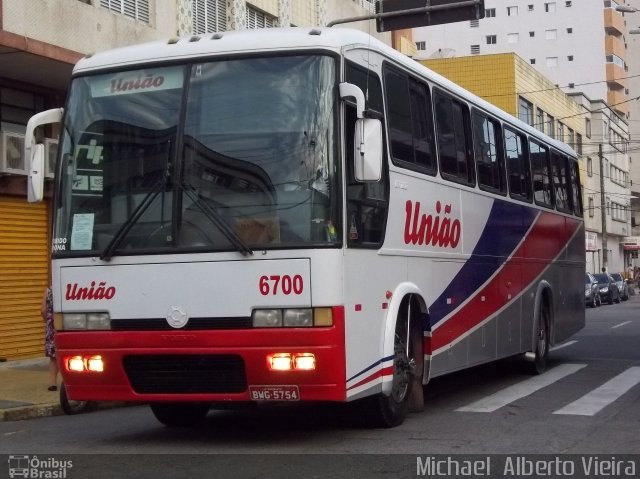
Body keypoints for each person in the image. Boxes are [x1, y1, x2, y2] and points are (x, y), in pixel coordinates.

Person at [41, 286, 58, 391]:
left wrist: (48, 321)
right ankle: (67, 381)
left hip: (51, 326)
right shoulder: (67, 287)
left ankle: (53, 383)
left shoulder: (48, 290)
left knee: (53, 356)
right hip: (65, 324)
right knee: (64, 354)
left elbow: (43, 310)